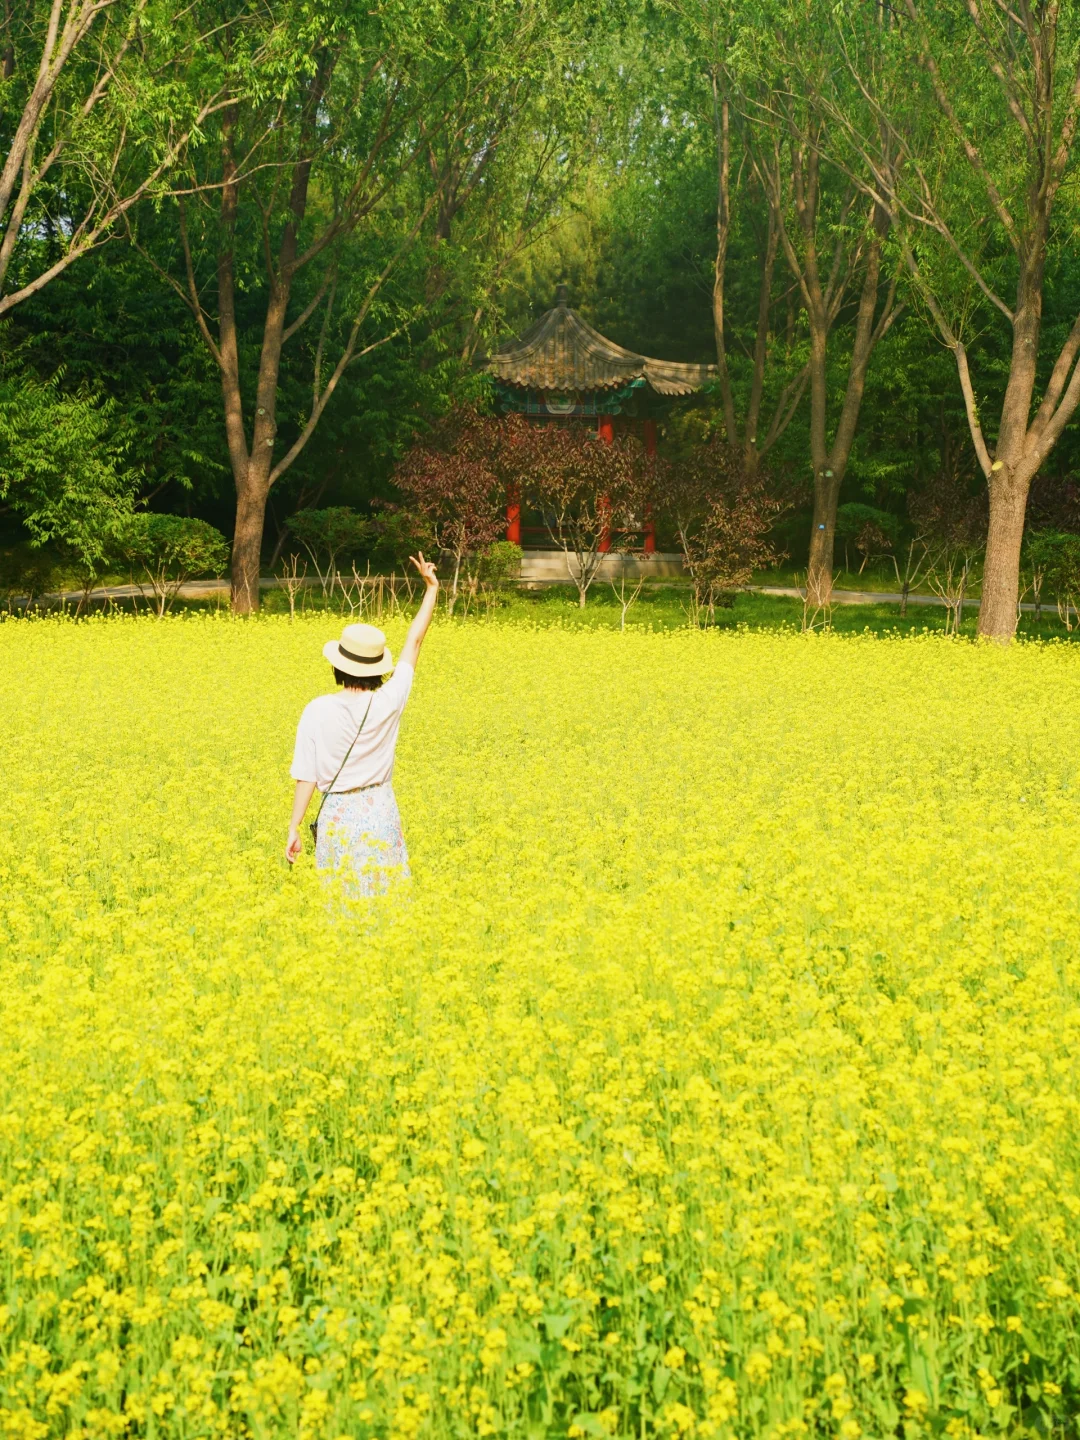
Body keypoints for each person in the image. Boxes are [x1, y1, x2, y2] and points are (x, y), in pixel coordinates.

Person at [286, 552, 439, 891]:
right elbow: (414, 641)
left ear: (337, 667)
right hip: (380, 813)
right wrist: (431, 589)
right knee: (385, 905)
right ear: (378, 669)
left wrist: (294, 827)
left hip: (336, 819)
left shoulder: (316, 710)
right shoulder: (389, 699)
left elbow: (307, 776)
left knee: (341, 906)